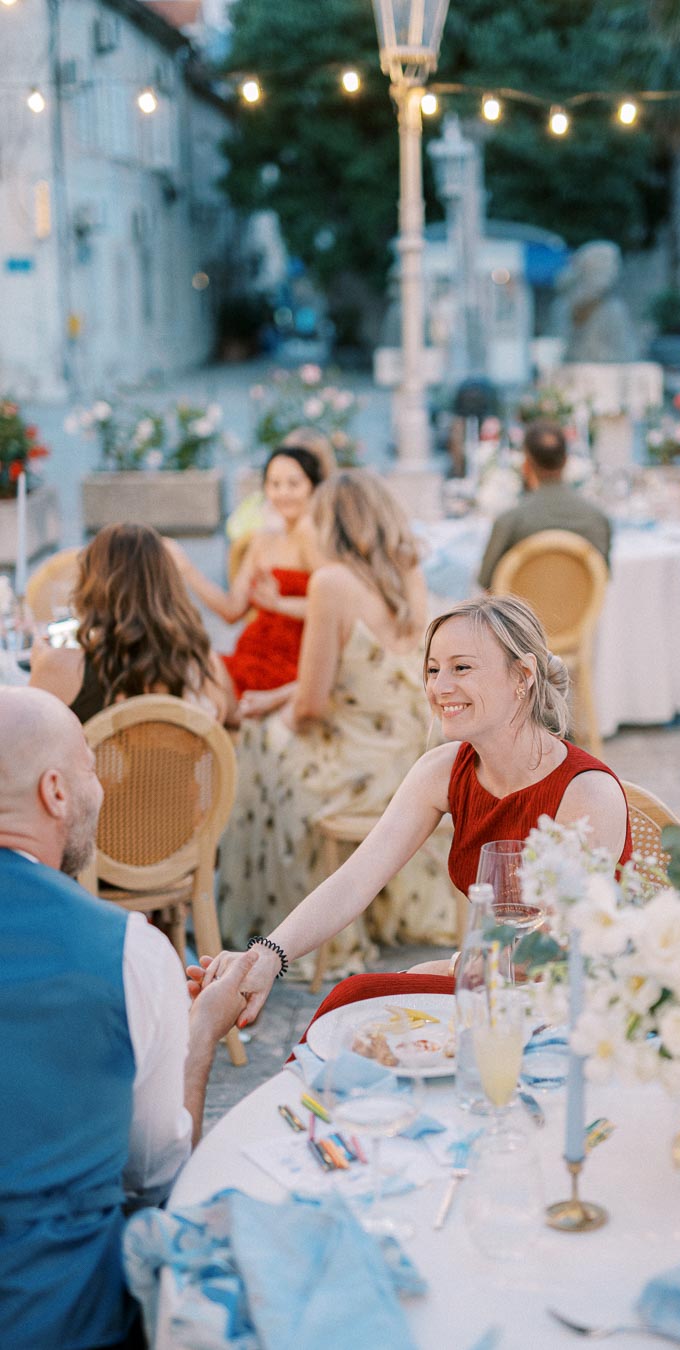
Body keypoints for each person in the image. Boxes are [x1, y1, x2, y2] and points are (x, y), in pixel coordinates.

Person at [196, 594, 632, 1023]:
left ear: (522, 675)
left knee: (358, 998)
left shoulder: (586, 793)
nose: (440, 688)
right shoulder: (444, 770)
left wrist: (447, 968)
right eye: (432, 670)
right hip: (492, 988)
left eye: (461, 668)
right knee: (351, 1002)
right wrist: (268, 957)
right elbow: (354, 881)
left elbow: (550, 951)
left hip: (576, 1005)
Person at [0, 687, 256, 1350]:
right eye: (91, 768)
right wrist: (199, 1035)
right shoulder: (125, 951)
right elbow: (158, 1179)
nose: (100, 789)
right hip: (57, 1320)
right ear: (55, 792)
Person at [215, 468, 460, 977]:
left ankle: (281, 923)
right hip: (409, 759)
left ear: (331, 525)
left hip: (352, 769)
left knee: (256, 743)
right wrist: (283, 693)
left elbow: (312, 708)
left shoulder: (332, 583)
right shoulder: (407, 571)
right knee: (268, 718)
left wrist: (277, 707)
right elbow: (364, 676)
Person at [170, 443, 326, 714]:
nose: (283, 493)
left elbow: (333, 610)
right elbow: (231, 610)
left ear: (313, 487)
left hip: (291, 664)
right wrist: (185, 568)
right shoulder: (262, 542)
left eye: (293, 484)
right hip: (251, 654)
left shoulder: (312, 535)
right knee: (184, 670)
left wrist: (279, 604)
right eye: (274, 484)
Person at [29, 523, 230, 725]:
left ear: (92, 586)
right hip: (190, 757)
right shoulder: (205, 667)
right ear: (170, 587)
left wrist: (40, 664)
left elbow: (20, 740)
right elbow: (232, 722)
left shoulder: (61, 668)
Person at [477, 419, 612, 589]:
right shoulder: (598, 519)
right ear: (566, 461)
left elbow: (485, 582)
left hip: (519, 616)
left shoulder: (509, 522)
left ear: (526, 464)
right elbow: (602, 577)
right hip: (580, 615)